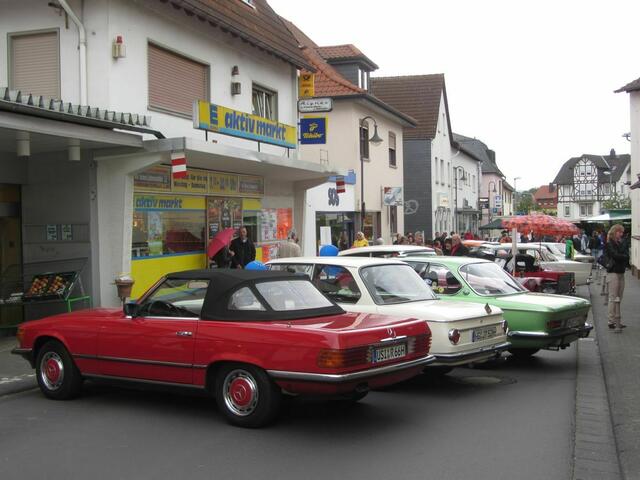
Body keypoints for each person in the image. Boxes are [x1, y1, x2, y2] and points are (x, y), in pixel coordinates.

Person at [605, 224, 629, 332]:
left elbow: (626, 255)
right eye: (620, 232)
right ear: (615, 232)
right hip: (613, 272)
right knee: (613, 297)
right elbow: (615, 255)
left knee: (619, 297)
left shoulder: (621, 243)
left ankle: (617, 320)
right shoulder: (609, 243)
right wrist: (623, 256)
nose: (621, 234)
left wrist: (623, 256)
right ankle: (611, 321)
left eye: (622, 232)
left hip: (621, 272)